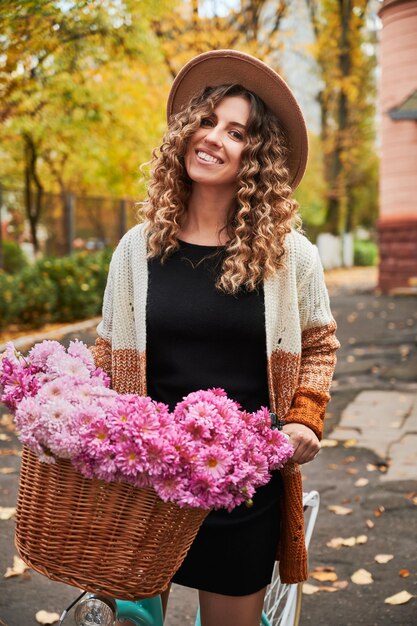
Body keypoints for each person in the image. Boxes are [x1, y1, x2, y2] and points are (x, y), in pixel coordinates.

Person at [92, 49, 340, 626]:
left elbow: (319, 346)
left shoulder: (290, 257)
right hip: (144, 481)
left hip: (242, 487)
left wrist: (304, 416)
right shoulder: (137, 249)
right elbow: (108, 351)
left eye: (236, 132)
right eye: (206, 121)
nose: (213, 139)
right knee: (131, 620)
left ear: (257, 158)